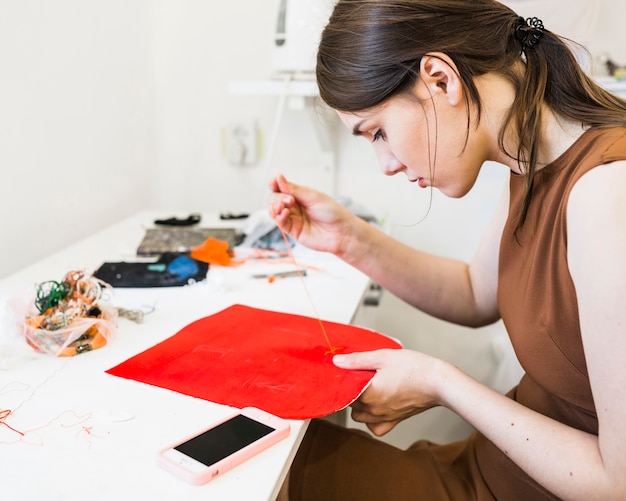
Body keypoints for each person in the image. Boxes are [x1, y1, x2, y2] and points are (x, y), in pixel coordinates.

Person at [269, 1, 626, 500]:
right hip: (487, 470)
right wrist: (348, 238)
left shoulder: (607, 194)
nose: (385, 164)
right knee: (270, 458)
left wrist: (442, 384)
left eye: (378, 131)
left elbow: (618, 483)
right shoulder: (534, 162)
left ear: (440, 79)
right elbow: (474, 292)